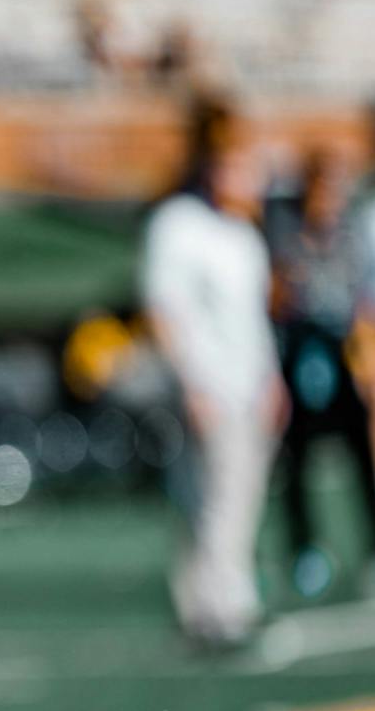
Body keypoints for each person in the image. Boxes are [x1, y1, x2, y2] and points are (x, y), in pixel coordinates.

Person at [141, 101, 284, 646]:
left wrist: (271, 379)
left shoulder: (243, 236)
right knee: (211, 497)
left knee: (241, 495)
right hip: (209, 387)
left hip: (247, 387)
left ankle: (231, 594)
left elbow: (254, 321)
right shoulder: (178, 225)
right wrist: (191, 382)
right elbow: (165, 311)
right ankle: (212, 605)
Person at [267, 147, 375, 595]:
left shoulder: (351, 233)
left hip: (342, 352)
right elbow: (276, 299)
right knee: (298, 457)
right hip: (299, 353)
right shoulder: (286, 234)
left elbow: (361, 303)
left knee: (361, 454)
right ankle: (305, 548)